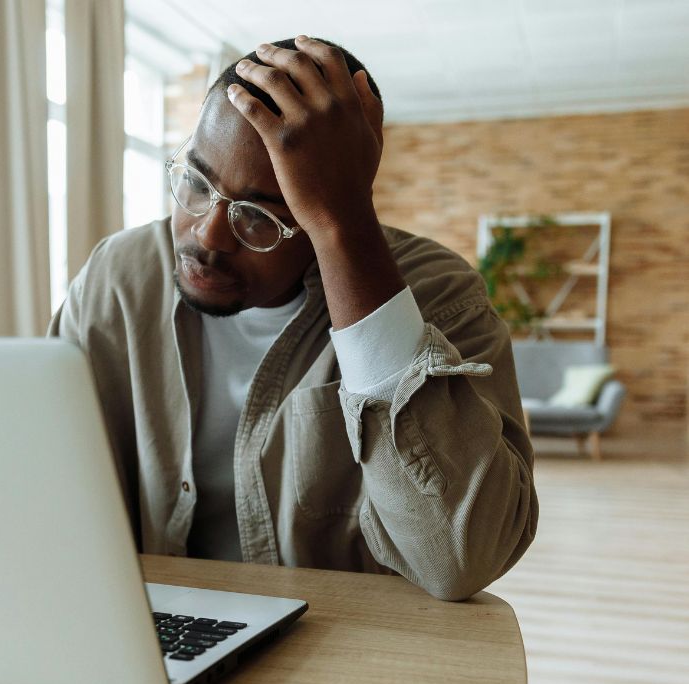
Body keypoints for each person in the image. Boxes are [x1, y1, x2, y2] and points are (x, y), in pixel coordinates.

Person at [49, 36, 537, 601]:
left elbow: (462, 559)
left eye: (258, 217)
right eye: (196, 182)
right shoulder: (120, 277)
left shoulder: (438, 296)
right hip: (145, 625)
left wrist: (345, 228)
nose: (206, 234)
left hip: (346, 649)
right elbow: (40, 471)